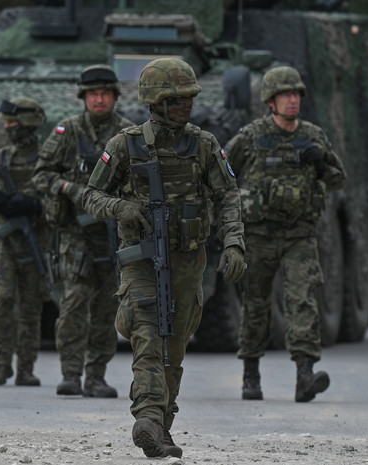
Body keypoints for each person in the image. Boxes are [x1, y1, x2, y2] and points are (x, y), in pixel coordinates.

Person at [82, 58, 245, 458]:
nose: (185, 105)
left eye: (188, 98)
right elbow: (90, 195)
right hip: (141, 260)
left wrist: (234, 243)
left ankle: (160, 426)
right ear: (155, 102)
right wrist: (122, 209)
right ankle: (147, 416)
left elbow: (228, 196)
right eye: (176, 99)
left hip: (188, 262)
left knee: (174, 344)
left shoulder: (204, 144)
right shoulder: (126, 145)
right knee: (148, 337)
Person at [224, 65, 346, 403]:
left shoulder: (314, 137)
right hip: (260, 235)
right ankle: (251, 374)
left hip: (300, 235)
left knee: (302, 299)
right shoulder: (249, 138)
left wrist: (320, 164)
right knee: (256, 304)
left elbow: (338, 180)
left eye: (296, 95)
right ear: (270, 101)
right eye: (284, 95)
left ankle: (305, 375)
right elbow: (221, 174)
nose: (292, 100)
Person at [32, 65, 134, 397]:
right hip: (76, 231)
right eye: (93, 94)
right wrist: (68, 188)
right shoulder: (68, 132)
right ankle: (71, 373)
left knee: (106, 305)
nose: (99, 99)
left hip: (112, 232)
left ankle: (96, 376)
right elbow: (40, 174)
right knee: (74, 301)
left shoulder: (128, 133)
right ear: (84, 98)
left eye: (105, 93)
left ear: (114, 96)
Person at [0, 97, 50, 386]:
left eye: (14, 123)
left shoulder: (48, 158)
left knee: (31, 308)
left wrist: (35, 206)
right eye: (7, 123)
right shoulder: (2, 158)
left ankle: (26, 369)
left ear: (30, 123)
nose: (9, 129)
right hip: (6, 244)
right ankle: (1, 365)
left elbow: (59, 201)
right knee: (3, 300)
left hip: (36, 244)